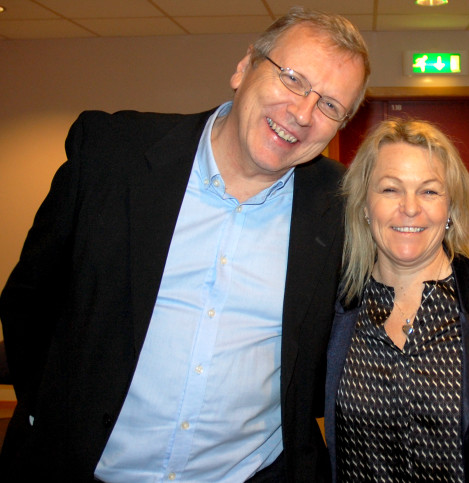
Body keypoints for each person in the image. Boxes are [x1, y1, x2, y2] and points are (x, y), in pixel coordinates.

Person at [0, 7, 370, 482]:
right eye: (293, 79)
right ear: (244, 67)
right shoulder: (112, 155)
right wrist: (49, 413)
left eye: (330, 105)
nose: (301, 113)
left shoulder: (339, 205)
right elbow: (30, 300)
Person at [324, 118, 469, 482]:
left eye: (429, 191)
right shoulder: (334, 305)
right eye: (390, 190)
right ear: (365, 207)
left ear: (451, 209)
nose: (410, 208)